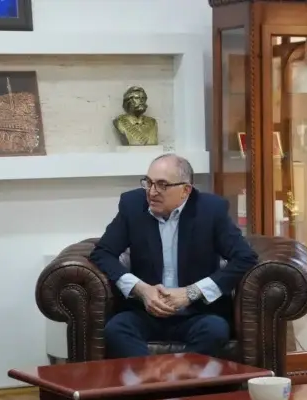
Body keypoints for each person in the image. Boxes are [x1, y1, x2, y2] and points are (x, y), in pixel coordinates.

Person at [89, 153, 258, 358]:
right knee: (116, 329)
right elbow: (103, 253)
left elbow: (245, 257)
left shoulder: (210, 210)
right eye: (148, 182)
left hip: (196, 313)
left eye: (162, 185)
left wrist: (191, 293)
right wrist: (141, 289)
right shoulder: (132, 205)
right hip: (145, 312)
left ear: (185, 190)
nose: (152, 192)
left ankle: (170, 376)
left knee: (215, 330)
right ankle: (158, 377)